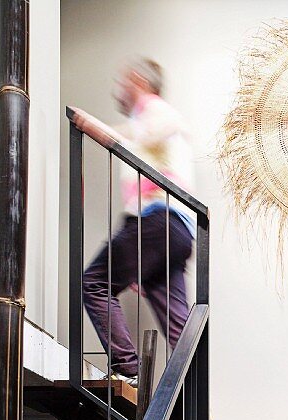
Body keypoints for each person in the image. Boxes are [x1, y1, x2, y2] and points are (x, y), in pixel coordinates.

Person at [71, 59, 195, 384]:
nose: (120, 89)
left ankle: (128, 370)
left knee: (95, 282)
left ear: (138, 81)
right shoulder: (153, 117)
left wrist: (93, 128)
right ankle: (195, 404)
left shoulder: (155, 110)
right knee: (178, 324)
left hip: (159, 222)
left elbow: (138, 139)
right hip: (176, 230)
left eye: (123, 82)